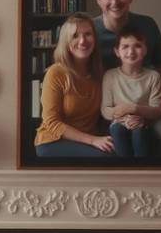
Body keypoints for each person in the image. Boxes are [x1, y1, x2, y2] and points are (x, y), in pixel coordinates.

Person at [92, 0, 161, 156]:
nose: (115, 2)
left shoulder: (147, 25)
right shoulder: (90, 30)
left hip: (145, 104)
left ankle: (155, 182)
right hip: (103, 107)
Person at [34, 13, 113, 158]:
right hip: (53, 141)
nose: (82, 41)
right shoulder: (56, 73)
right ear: (66, 41)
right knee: (105, 159)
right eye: (75, 35)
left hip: (89, 141)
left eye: (88, 34)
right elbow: (51, 122)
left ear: (95, 39)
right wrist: (93, 140)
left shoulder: (100, 74)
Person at [101, 26, 161, 158]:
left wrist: (135, 110)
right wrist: (122, 116)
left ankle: (142, 170)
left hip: (143, 123)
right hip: (118, 122)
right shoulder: (110, 76)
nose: (131, 51)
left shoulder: (153, 76)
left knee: (138, 132)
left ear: (145, 50)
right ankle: (124, 170)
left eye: (137, 46)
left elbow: (157, 110)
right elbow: (105, 110)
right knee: (117, 129)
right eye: (125, 46)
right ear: (117, 51)